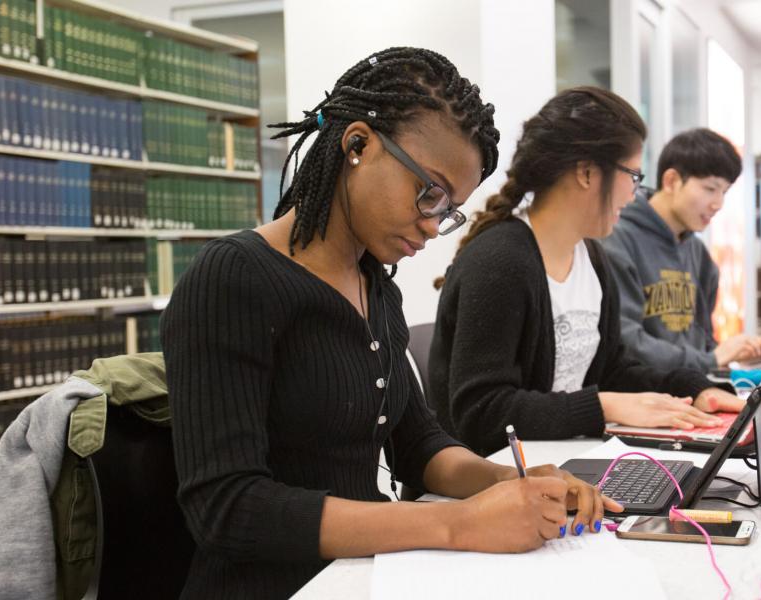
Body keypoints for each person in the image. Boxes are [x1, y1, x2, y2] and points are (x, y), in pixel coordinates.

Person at [161, 48, 619, 599]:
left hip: (364, 574)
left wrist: (511, 483)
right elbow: (228, 508)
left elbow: (417, 443)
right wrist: (459, 525)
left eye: (448, 209)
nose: (431, 226)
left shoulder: (374, 283)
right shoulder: (233, 278)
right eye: (430, 192)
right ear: (358, 144)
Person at [428, 87, 744, 458]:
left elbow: (612, 368)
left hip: (559, 467)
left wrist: (693, 388)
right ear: (587, 172)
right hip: (483, 488)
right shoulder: (501, 262)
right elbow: (481, 414)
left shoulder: (592, 258)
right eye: (633, 177)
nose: (633, 195)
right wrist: (602, 407)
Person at [603, 128, 761, 372]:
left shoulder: (698, 254)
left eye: (724, 192)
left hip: (692, 389)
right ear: (671, 181)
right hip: (644, 397)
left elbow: (702, 343)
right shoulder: (617, 239)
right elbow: (625, 342)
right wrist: (712, 360)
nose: (718, 204)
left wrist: (736, 356)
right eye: (710, 188)